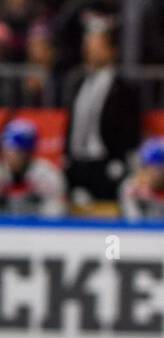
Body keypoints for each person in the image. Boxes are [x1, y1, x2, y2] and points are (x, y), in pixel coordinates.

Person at [63, 21, 141, 204]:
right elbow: (73, 122)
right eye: (89, 46)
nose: (90, 51)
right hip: (78, 162)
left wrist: (119, 161)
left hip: (105, 163)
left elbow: (130, 129)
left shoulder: (123, 89)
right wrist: (66, 154)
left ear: (111, 51)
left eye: (97, 46)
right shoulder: (78, 82)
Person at [0, 118, 66, 217]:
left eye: (16, 150)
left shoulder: (47, 175)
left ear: (28, 152)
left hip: (38, 229)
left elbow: (54, 216)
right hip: (0, 229)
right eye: (6, 148)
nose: (9, 154)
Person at [119, 137, 164, 222]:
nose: (156, 173)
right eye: (147, 167)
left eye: (160, 168)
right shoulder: (132, 187)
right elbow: (134, 223)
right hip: (143, 233)